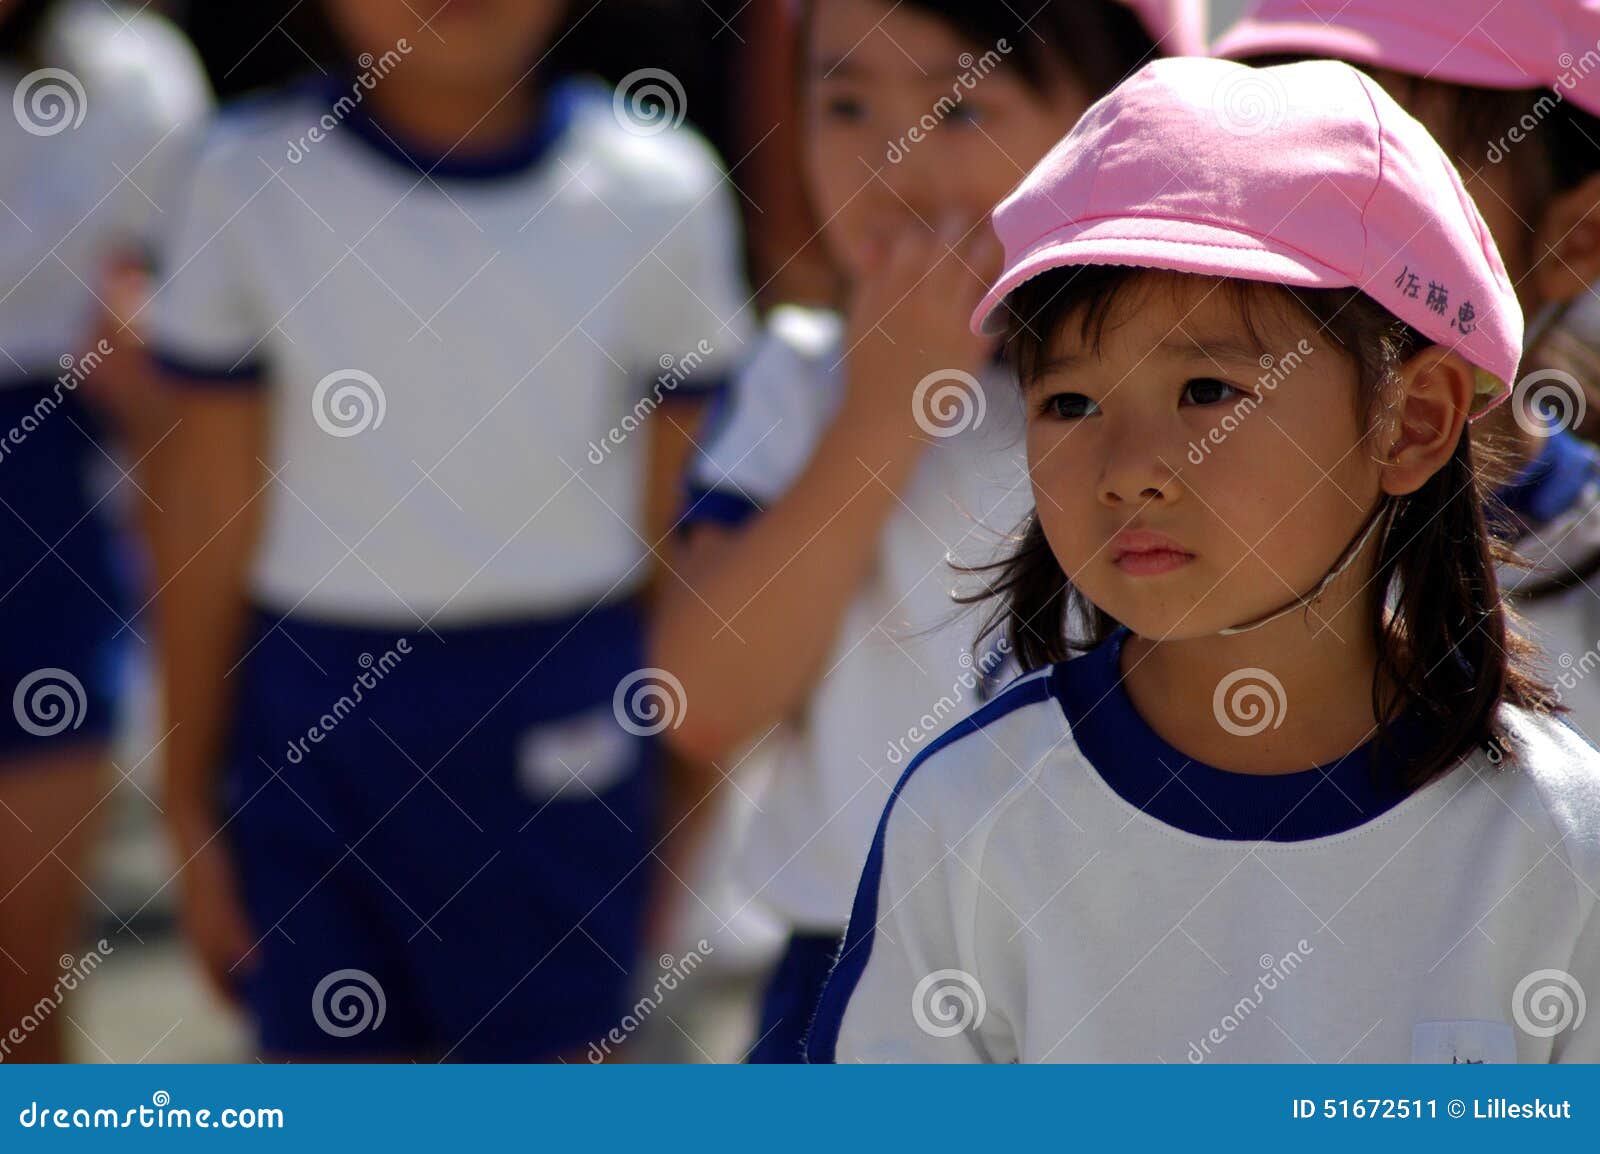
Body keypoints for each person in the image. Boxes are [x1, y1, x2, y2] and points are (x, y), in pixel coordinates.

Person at [809, 56, 1600, 1063]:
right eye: (1069, 402)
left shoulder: (1560, 838)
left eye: (1207, 392)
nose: (1127, 470)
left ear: (1413, 419)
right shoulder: (971, 817)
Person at [147, 0, 750, 1060]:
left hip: (565, 702)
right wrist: (188, 795)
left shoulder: (659, 187)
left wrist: (691, 799)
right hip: (308, 711)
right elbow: (202, 507)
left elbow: (688, 530)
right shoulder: (243, 178)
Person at [650, 0, 1207, 1062]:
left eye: (959, 106)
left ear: (1119, 123)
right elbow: (699, 701)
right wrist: (881, 415)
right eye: (844, 100)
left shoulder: (1198, 391)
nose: (891, 161)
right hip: (852, 966)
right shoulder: (797, 381)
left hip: (1133, 963)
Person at [1214, 0, 1600, 743]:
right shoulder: (1116, 505)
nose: (1291, 228)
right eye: (1263, 157)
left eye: (1383, 173)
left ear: (1579, 239)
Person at [0, 0, 208, 1062]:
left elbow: (186, 386)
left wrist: (149, 360)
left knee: (18, 975)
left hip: (42, 514)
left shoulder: (129, 78)